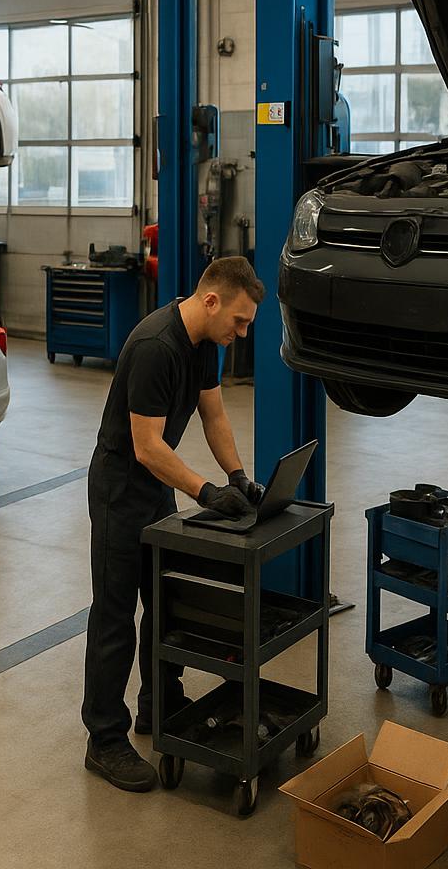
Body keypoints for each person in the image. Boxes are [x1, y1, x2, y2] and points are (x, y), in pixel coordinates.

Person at [82, 257, 268, 792]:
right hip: (121, 486)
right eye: (239, 321)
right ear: (211, 301)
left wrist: (238, 476)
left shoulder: (205, 345)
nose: (241, 333)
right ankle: (104, 738)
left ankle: (157, 704)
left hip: (155, 487)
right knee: (116, 613)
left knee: (163, 604)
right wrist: (207, 492)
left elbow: (213, 415)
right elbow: (146, 447)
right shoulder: (155, 348)